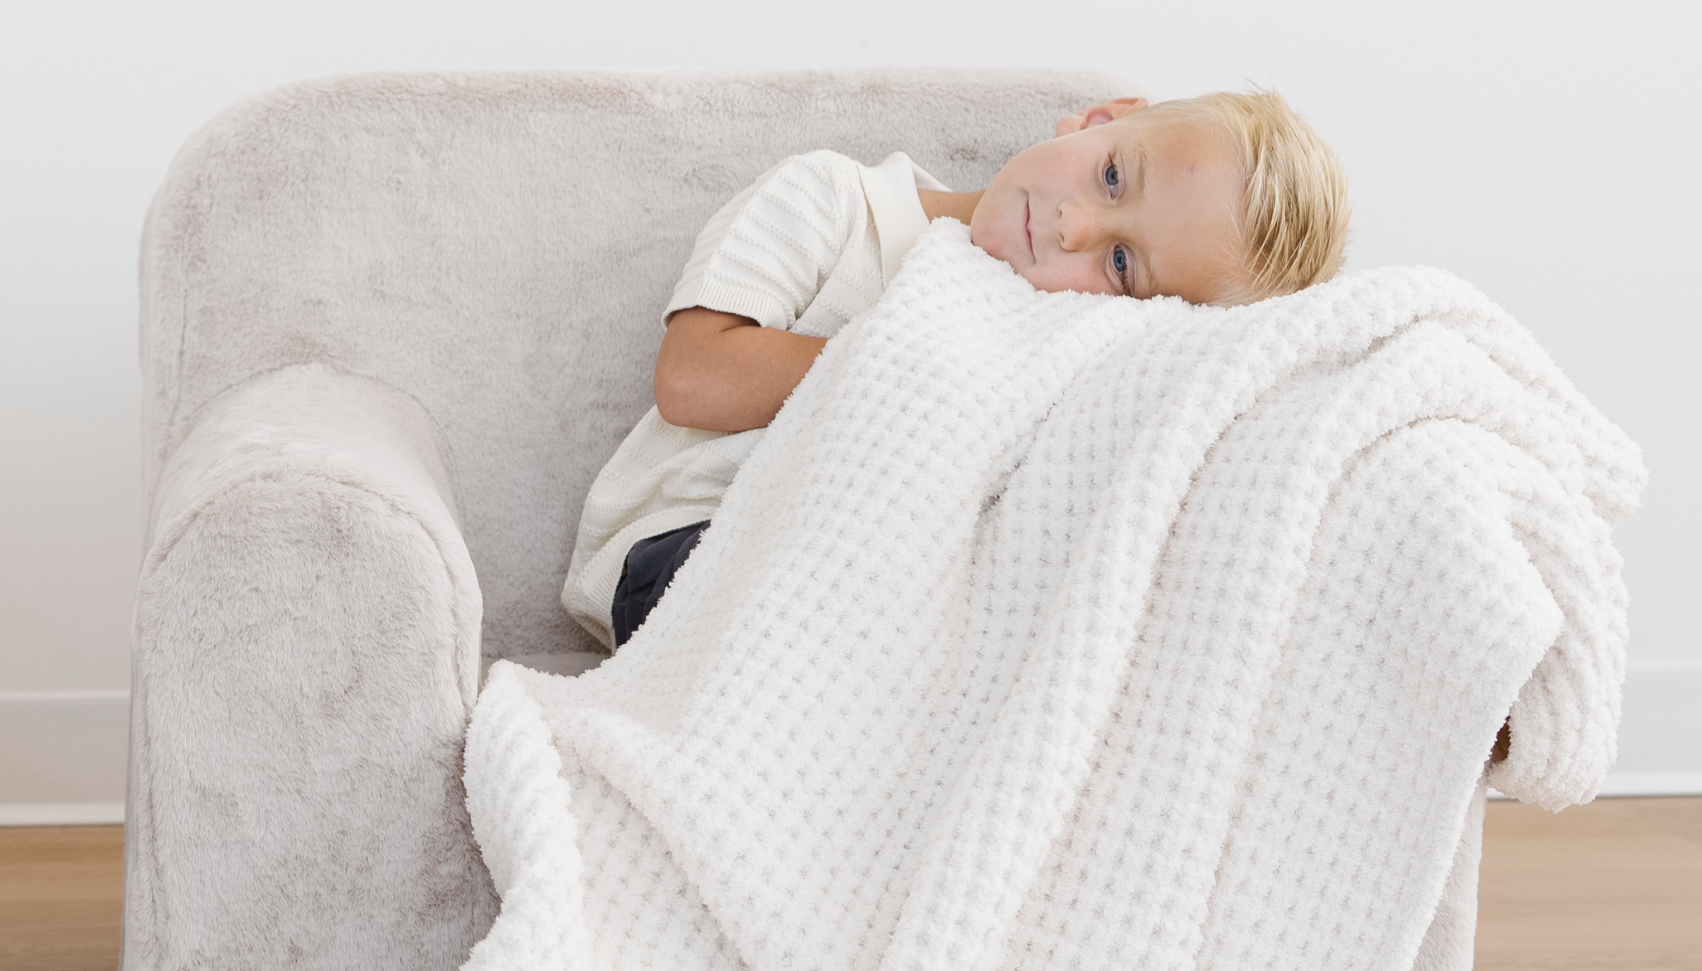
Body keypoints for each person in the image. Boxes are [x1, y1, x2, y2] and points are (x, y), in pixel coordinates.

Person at [561, 91, 1350, 650]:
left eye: (1120, 262)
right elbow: (694, 377)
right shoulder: (841, 203)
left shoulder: (1052, 355)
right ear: (1102, 119)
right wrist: (921, 371)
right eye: (1112, 178)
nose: (1077, 223)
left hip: (882, 604)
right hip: (683, 552)